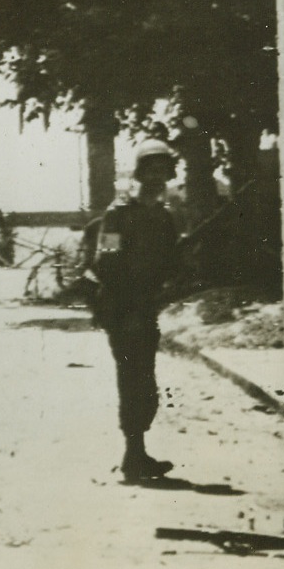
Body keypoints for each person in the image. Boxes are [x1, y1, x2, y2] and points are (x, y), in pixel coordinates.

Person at [91, 139, 181, 483]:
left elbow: (171, 263)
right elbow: (106, 259)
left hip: (145, 308)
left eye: (164, 171)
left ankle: (138, 453)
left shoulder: (164, 217)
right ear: (141, 173)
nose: (158, 177)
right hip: (122, 306)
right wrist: (128, 300)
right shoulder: (119, 213)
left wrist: (174, 267)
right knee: (133, 380)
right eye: (152, 170)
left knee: (144, 380)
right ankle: (133, 456)